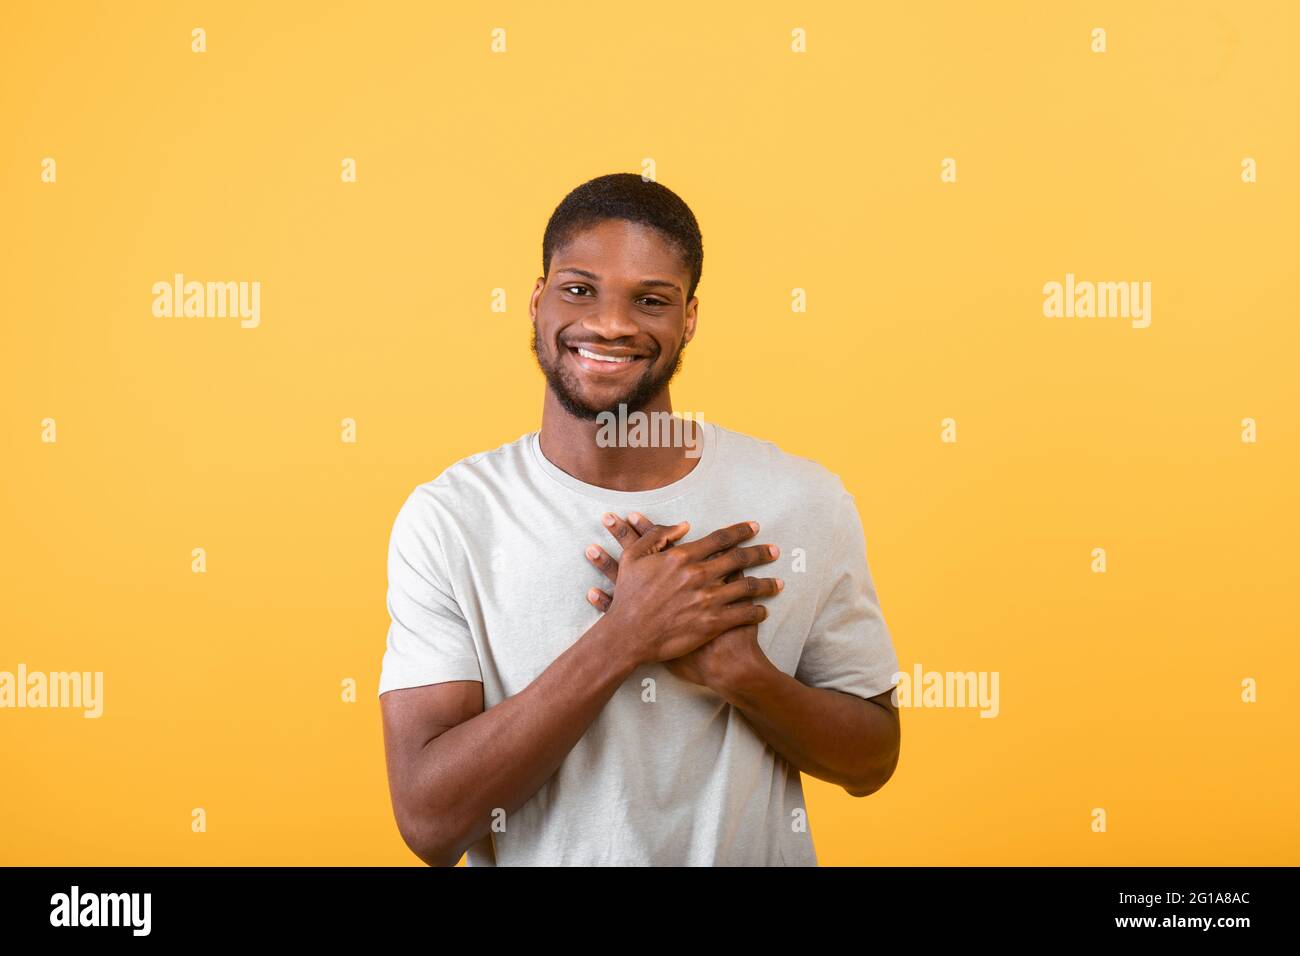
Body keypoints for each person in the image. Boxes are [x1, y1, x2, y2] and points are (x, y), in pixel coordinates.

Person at [378, 173, 901, 865]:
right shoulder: (450, 520)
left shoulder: (803, 500)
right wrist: (625, 637)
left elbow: (871, 761)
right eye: (578, 289)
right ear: (537, 301)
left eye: (650, 300)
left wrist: (744, 676)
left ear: (688, 318)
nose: (611, 323)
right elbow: (429, 821)